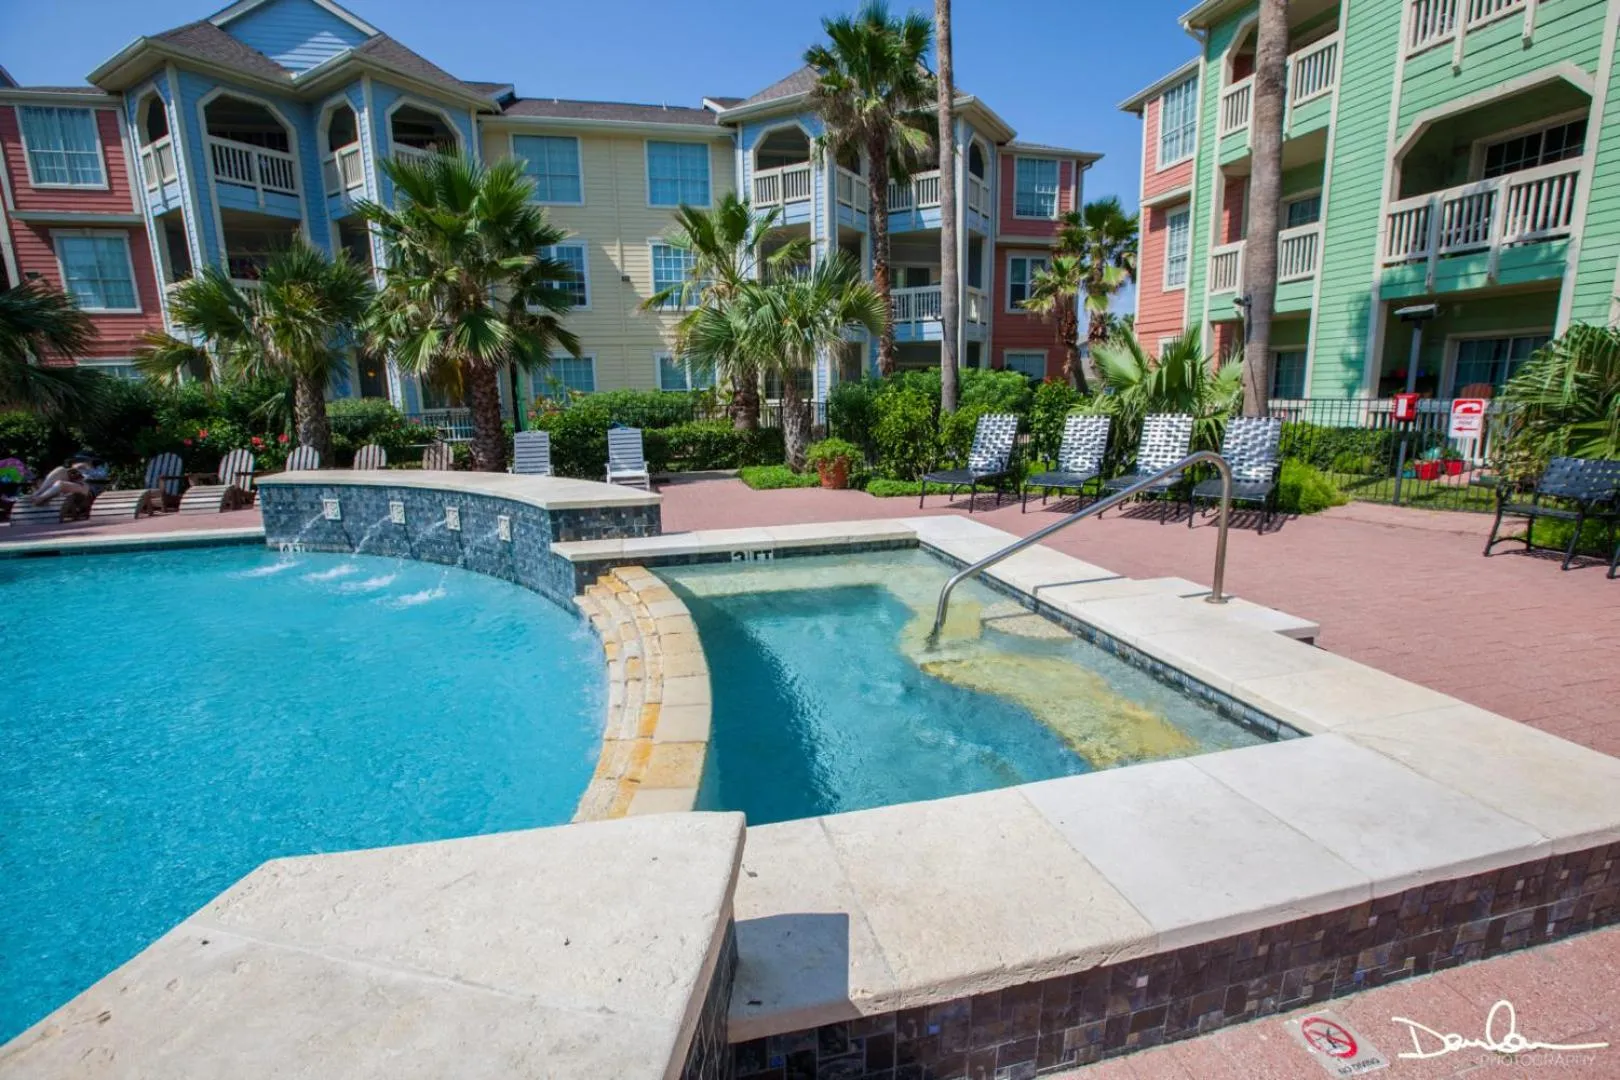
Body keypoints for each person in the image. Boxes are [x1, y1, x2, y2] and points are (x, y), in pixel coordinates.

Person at [29, 454, 95, 508]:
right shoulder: (75, 468)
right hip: (72, 484)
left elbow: (93, 480)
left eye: (82, 460)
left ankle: (40, 498)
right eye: (77, 461)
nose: (78, 462)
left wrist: (85, 472)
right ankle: (39, 492)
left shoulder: (97, 469)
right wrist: (75, 469)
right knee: (60, 469)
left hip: (86, 489)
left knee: (60, 483)